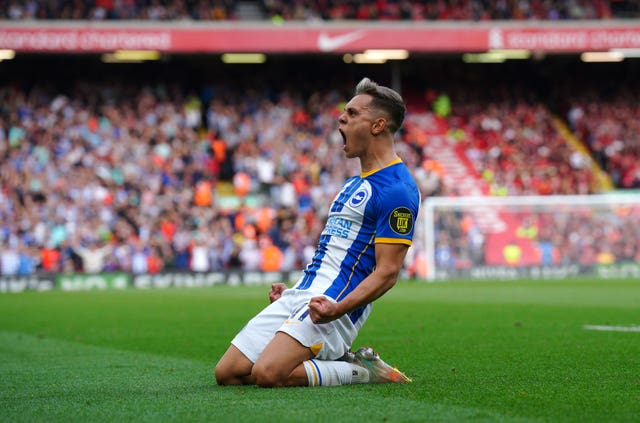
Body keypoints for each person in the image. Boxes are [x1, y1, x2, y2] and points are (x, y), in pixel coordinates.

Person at [214, 77, 421, 388]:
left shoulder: (397, 190)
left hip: (336, 302)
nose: (341, 117)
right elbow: (333, 254)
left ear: (378, 125)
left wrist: (338, 309)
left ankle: (363, 370)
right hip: (303, 293)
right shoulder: (353, 183)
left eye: (352, 114)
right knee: (228, 373)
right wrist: (294, 294)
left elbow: (388, 272)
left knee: (268, 374)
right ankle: (328, 352)